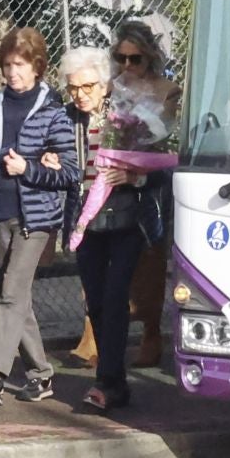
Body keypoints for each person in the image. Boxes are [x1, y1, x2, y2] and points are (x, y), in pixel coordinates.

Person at [0, 27, 77, 405]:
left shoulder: (54, 113)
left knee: (9, 294)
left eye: (19, 65)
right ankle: (40, 374)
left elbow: (69, 172)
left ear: (37, 67)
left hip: (35, 219)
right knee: (16, 296)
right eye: (7, 65)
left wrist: (30, 169)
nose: (12, 73)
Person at [43, 46, 157, 413]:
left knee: (115, 296)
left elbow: (161, 162)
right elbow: (50, 161)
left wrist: (135, 175)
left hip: (124, 217)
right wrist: (49, 161)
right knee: (95, 300)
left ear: (105, 85)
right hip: (84, 221)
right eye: (73, 87)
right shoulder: (63, 118)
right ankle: (112, 380)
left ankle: (108, 381)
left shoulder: (127, 118)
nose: (80, 94)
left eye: (88, 86)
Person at [109, 19, 178, 370]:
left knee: (150, 257)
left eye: (134, 59)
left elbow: (168, 138)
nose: (127, 66)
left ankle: (152, 331)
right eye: (120, 58)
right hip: (114, 176)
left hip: (152, 178)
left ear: (149, 57)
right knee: (105, 252)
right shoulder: (111, 88)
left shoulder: (168, 89)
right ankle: (96, 333)